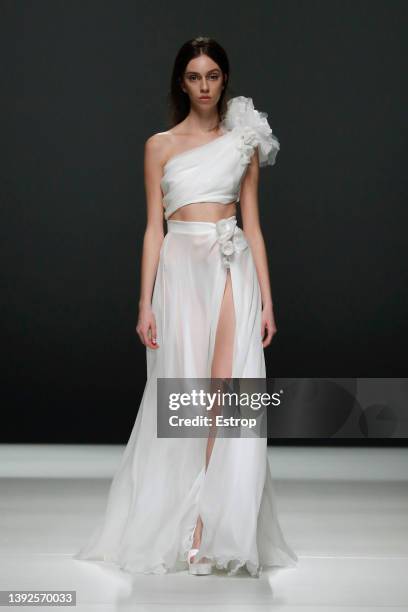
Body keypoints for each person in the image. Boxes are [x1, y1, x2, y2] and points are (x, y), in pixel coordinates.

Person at [74, 36, 298, 578]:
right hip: (179, 269)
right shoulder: (159, 146)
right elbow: (153, 228)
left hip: (230, 264)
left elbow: (254, 225)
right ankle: (187, 513)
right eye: (194, 76)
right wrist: (144, 301)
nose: (204, 86)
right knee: (185, 388)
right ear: (182, 81)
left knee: (229, 389)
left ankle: (211, 523)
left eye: (213, 76)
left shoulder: (243, 143)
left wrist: (268, 300)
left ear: (225, 80)